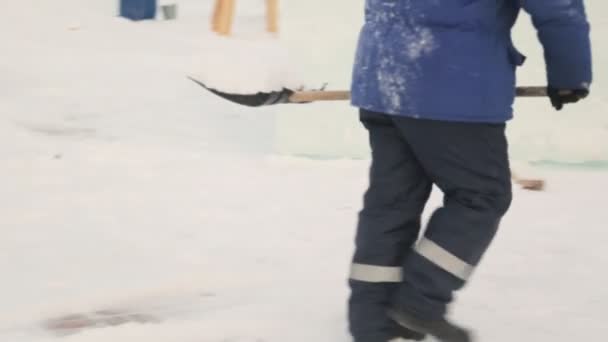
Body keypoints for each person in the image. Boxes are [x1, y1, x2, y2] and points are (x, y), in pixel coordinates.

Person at [347, 1, 592, 342]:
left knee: (392, 201)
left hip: (383, 76)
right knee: (482, 196)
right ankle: (419, 302)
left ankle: (371, 319)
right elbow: (558, 8)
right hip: (453, 82)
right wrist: (570, 75)